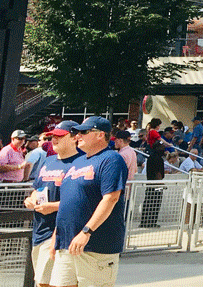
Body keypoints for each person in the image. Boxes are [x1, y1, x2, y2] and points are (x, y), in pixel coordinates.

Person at [52, 117, 128, 287]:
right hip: (67, 243)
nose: (78, 135)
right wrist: (55, 237)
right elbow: (67, 203)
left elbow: (111, 198)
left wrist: (86, 231)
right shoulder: (77, 162)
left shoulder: (111, 159)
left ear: (101, 135)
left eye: (84, 132)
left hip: (95, 245)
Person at [24, 121, 78, 287]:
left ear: (75, 137)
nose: (54, 139)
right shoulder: (49, 161)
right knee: (42, 281)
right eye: (53, 136)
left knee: (50, 283)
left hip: (61, 231)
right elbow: (38, 188)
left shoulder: (80, 162)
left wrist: (53, 207)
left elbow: (81, 201)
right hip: (39, 229)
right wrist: (32, 199)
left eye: (60, 136)